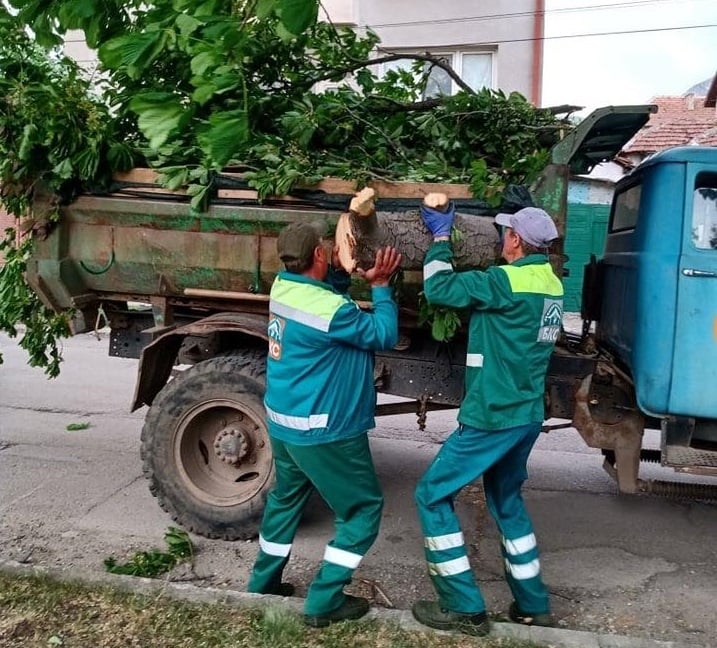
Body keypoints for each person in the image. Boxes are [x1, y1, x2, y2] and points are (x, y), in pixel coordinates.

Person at [411, 204, 564, 637]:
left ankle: (463, 607)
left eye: (505, 233)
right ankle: (533, 605)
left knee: (431, 495)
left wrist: (440, 239)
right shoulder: (550, 284)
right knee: (506, 501)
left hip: (491, 416)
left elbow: (440, 289)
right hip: (524, 415)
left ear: (516, 241)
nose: (500, 239)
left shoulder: (506, 281)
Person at [247, 220, 402, 628]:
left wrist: (344, 272)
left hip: (284, 422)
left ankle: (263, 583)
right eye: (329, 248)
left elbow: (325, 298)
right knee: (363, 509)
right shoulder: (330, 310)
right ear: (318, 254)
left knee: (285, 501)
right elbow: (384, 334)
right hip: (323, 428)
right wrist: (381, 285)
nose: (335, 251)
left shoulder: (284, 287)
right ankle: (324, 599)